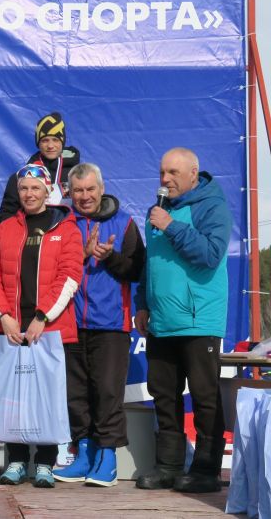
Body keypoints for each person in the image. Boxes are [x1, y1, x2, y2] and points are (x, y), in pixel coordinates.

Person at [134, 147, 230, 494]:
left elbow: (210, 255)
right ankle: (169, 466)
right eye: (162, 172)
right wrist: (143, 304)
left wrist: (171, 226)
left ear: (193, 174)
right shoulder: (158, 210)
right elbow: (151, 263)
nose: (165, 179)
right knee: (163, 394)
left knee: (204, 396)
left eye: (173, 173)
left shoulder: (212, 207)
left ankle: (206, 470)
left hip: (198, 319)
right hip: (162, 320)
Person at [0, 163, 83, 489]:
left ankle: (44, 462)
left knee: (47, 397)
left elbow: (69, 276)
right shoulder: (5, 228)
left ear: (47, 191)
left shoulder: (66, 228)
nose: (29, 194)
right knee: (14, 399)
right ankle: (15, 460)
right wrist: (4, 316)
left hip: (48, 328)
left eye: (35, 188)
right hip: (12, 329)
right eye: (24, 188)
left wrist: (42, 317)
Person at [53, 163, 145, 487]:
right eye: (78, 190)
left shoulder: (124, 222)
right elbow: (52, 270)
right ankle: (84, 455)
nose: (85, 196)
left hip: (110, 325)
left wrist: (110, 258)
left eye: (90, 189)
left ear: (102, 189)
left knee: (107, 392)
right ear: (70, 192)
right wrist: (82, 254)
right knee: (76, 394)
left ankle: (108, 459)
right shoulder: (62, 224)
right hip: (70, 322)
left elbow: (136, 270)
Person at [0, 112, 81, 225]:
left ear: (62, 142)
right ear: (38, 143)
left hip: (68, 233)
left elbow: (88, 209)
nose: (50, 146)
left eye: (55, 140)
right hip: (32, 234)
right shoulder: (22, 177)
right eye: (45, 140)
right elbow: (5, 218)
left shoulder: (77, 175)